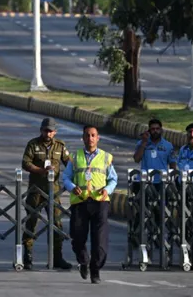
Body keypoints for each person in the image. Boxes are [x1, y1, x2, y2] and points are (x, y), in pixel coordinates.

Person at [60, 125, 117, 284]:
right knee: (77, 237)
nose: (90, 138)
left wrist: (108, 189)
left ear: (98, 138)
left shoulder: (106, 157)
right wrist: (72, 187)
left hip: (100, 203)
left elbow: (113, 179)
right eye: (87, 135)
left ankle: (95, 270)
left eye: (93, 135)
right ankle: (83, 261)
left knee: (100, 240)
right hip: (80, 202)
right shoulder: (75, 157)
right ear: (83, 138)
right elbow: (66, 177)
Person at [20, 117, 72, 270]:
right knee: (31, 221)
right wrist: (41, 170)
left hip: (53, 191)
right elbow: (25, 163)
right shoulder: (33, 144)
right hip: (35, 190)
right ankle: (27, 256)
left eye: (51, 131)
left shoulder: (60, 145)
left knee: (57, 223)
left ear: (55, 132)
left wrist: (76, 171)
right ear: (41, 130)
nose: (48, 133)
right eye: (45, 130)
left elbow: (68, 162)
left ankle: (57, 257)